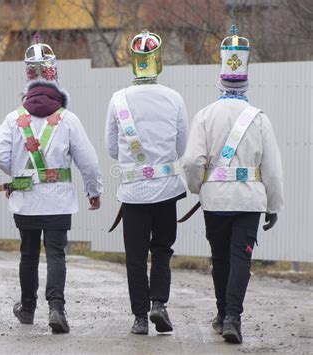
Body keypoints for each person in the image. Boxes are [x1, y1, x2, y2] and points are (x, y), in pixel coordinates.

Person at [0, 35, 103, 334]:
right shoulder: (67, 119)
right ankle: (56, 308)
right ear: (55, 78)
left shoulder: (15, 118)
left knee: (28, 254)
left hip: (26, 201)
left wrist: (17, 174)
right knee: (56, 254)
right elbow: (88, 161)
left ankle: (27, 308)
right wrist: (94, 190)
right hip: (59, 201)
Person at [182, 26, 284, 344]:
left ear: (220, 78)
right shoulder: (260, 118)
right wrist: (274, 205)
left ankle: (221, 313)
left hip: (215, 202)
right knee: (241, 257)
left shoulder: (204, 116)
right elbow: (273, 169)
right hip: (250, 201)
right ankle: (232, 318)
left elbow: (190, 162)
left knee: (221, 258)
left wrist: (199, 187)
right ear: (246, 80)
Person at [104, 30, 188, 335]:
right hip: (166, 190)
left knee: (135, 256)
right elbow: (182, 148)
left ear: (133, 63)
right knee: (163, 249)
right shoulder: (174, 98)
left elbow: (112, 149)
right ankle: (158, 304)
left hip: (133, 192)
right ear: (158, 61)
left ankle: (139, 317)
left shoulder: (117, 100)